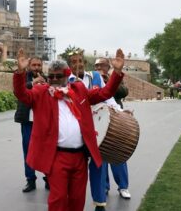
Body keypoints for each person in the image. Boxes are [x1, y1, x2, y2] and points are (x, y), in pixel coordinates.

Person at [13, 48, 126, 211]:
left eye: (58, 76)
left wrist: (116, 71)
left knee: (77, 199)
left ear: (67, 76)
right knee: (58, 199)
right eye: (51, 76)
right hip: (57, 157)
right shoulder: (41, 92)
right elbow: (22, 94)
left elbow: (105, 93)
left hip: (80, 156)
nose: (53, 79)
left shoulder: (79, 89)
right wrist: (20, 72)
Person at [66, 52, 121, 211]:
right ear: (70, 65)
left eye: (81, 61)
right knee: (77, 170)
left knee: (99, 165)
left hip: (96, 128)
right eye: (74, 61)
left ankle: (99, 203)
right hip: (76, 130)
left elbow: (108, 97)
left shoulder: (95, 77)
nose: (79, 64)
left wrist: (119, 110)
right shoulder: (66, 81)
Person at [94, 58, 132, 201]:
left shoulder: (115, 76)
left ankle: (123, 186)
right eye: (96, 65)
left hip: (116, 120)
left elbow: (124, 92)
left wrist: (111, 81)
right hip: (99, 120)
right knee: (101, 156)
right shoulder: (92, 78)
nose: (98, 67)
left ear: (107, 66)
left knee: (117, 152)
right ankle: (104, 186)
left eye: (101, 65)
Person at [15, 55, 48, 193]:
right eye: (34, 65)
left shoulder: (48, 79)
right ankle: (30, 179)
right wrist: (33, 83)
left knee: (47, 150)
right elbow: (17, 90)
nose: (36, 68)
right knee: (28, 150)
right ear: (29, 66)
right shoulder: (24, 77)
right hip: (28, 121)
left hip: (43, 122)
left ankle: (49, 178)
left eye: (38, 65)